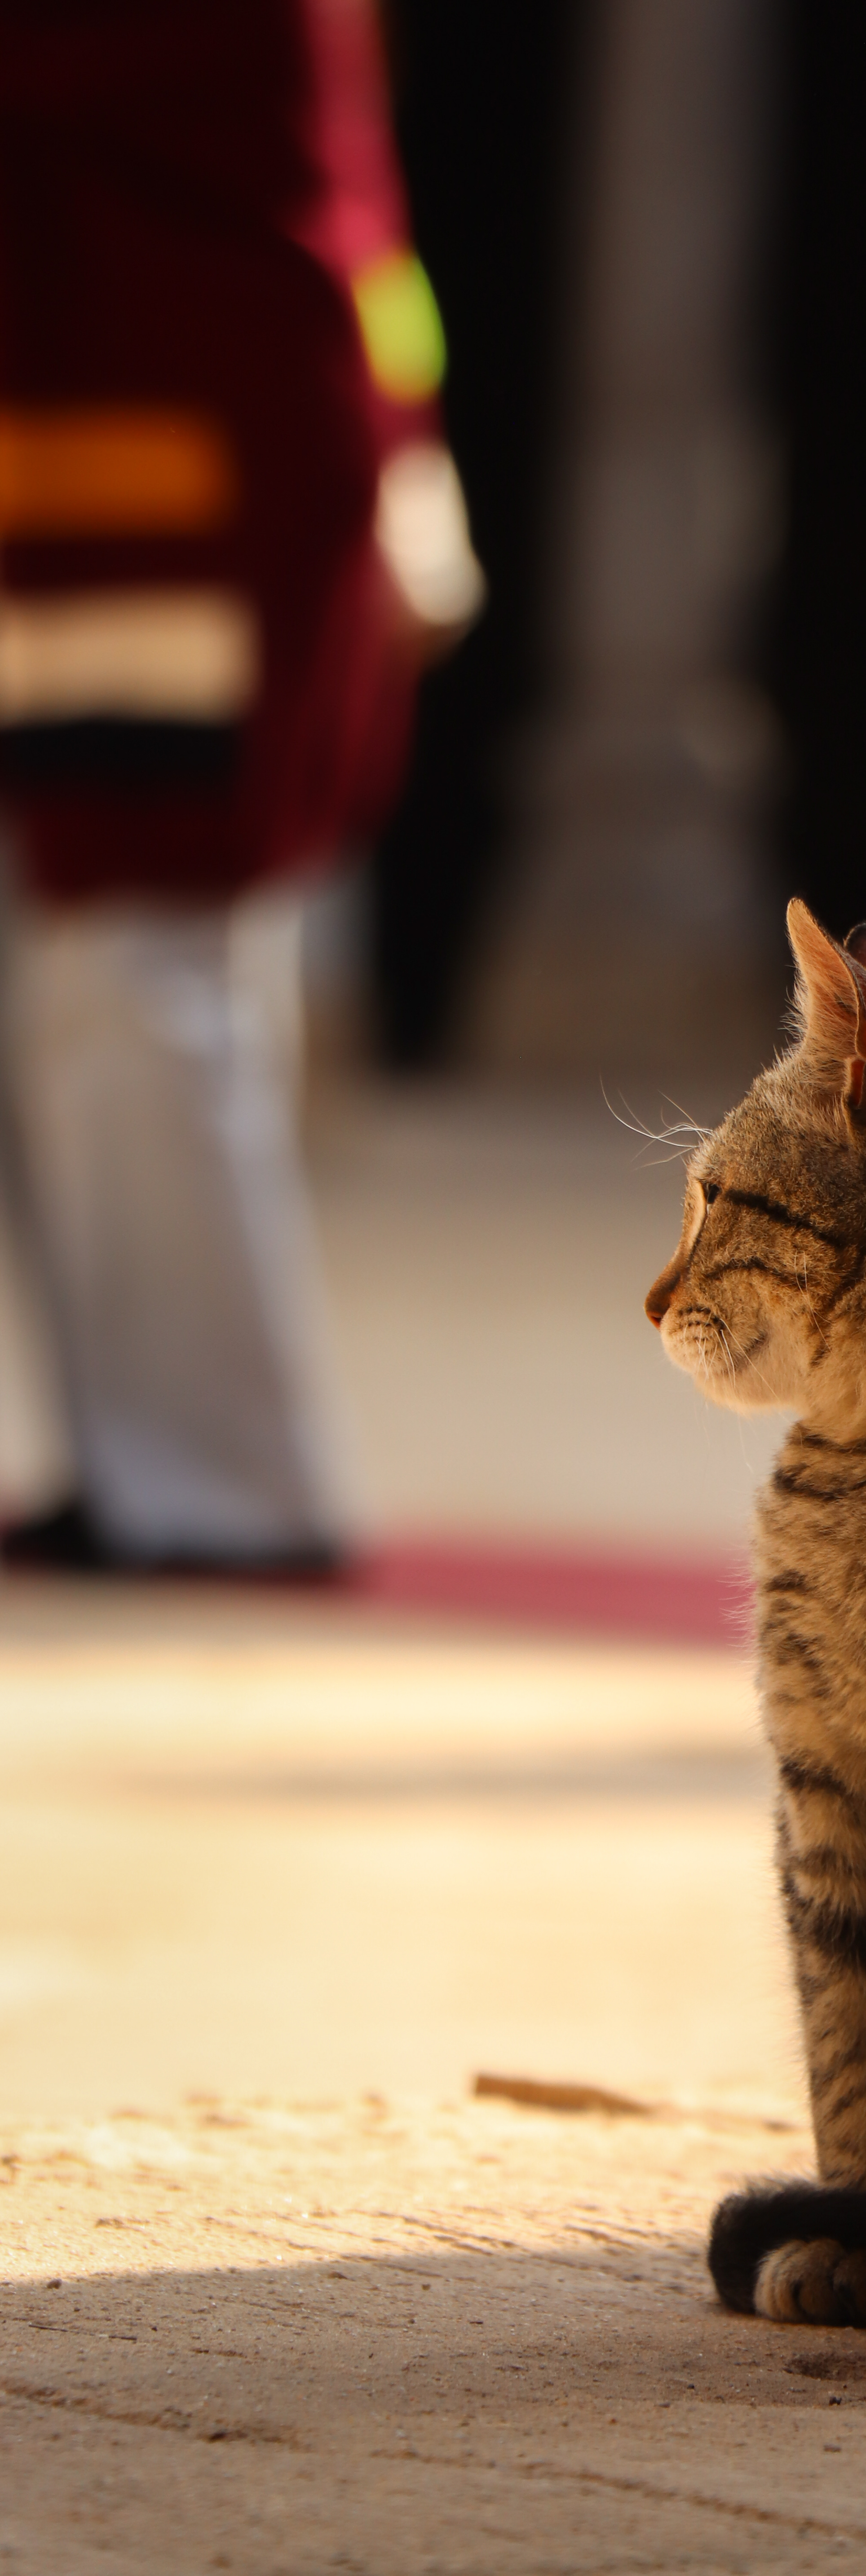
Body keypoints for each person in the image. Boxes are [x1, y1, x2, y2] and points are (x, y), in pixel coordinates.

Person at [0, 0, 480, 1573]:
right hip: (123, 456)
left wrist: (406, 442)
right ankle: (149, 1462)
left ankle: (229, 1487)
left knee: (146, 960)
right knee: (92, 977)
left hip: (194, 473)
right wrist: (412, 431)